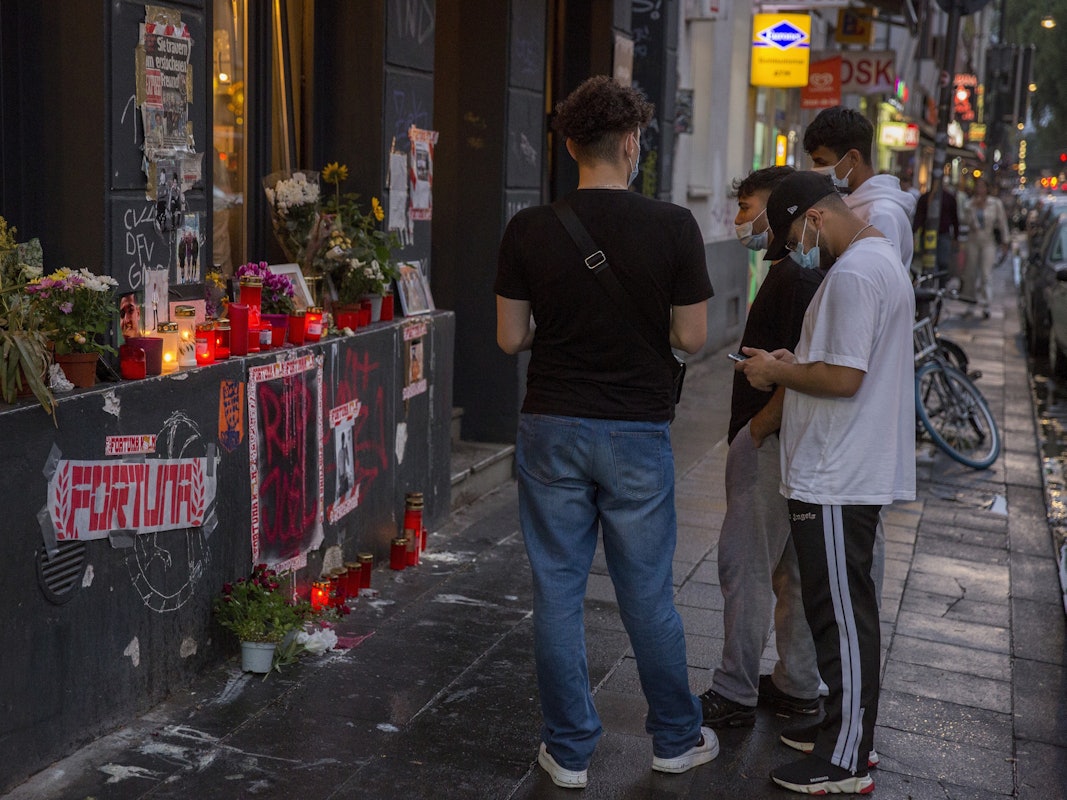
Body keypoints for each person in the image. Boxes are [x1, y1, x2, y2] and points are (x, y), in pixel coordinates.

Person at [494, 75, 716, 790]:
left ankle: (568, 751)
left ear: (567, 145)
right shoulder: (675, 226)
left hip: (551, 423)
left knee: (556, 591)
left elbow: (508, 339)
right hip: (635, 431)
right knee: (647, 594)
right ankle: (676, 739)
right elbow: (692, 334)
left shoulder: (529, 228)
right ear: (631, 142)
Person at [737, 171, 916, 794]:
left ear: (813, 217)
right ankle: (848, 735)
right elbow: (840, 362)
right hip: (843, 467)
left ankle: (844, 759)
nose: (795, 248)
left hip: (838, 472)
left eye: (791, 233)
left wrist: (772, 374)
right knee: (843, 610)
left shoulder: (854, 275)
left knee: (839, 616)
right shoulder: (875, 261)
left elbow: (843, 379)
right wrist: (793, 363)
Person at [697, 166, 824, 730]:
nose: (738, 219)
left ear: (779, 210)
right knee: (788, 570)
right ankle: (796, 686)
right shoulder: (787, 271)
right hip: (788, 446)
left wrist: (759, 428)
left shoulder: (796, 279)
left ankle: (735, 689)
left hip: (771, 443)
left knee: (745, 566)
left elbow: (805, 370)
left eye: (748, 207)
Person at [803, 106, 916, 273]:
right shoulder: (856, 201)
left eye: (822, 163)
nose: (815, 169)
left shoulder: (881, 214)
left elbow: (874, 278)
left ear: (853, 158)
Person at [960, 178, 1010, 319]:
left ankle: (986, 304)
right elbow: (963, 220)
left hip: (988, 241)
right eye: (978, 187)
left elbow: (1002, 223)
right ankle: (969, 302)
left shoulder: (995, 204)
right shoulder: (969, 204)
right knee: (970, 273)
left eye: (983, 187)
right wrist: (972, 208)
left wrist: (1005, 241)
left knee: (986, 273)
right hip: (973, 240)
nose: (980, 190)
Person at [913, 184, 960, 283]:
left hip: (943, 234)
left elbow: (955, 219)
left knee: (943, 262)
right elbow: (919, 217)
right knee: (929, 263)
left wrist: (956, 237)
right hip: (928, 235)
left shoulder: (949, 198)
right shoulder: (925, 198)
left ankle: (941, 285)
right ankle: (930, 284)